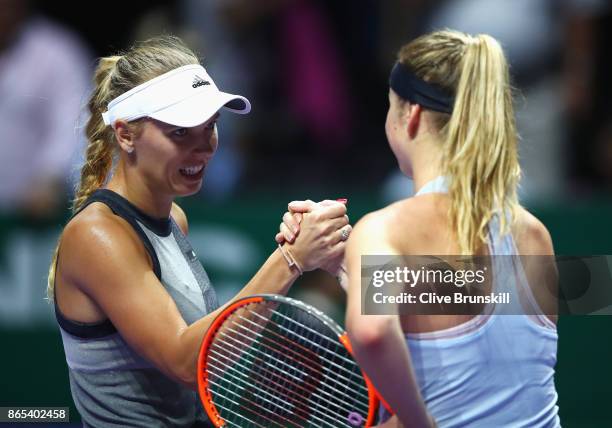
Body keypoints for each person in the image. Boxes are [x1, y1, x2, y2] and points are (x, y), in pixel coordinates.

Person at [47, 35, 351, 427]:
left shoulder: (174, 218)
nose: (205, 147)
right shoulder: (96, 235)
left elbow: (202, 362)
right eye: (180, 132)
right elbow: (186, 363)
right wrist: (291, 259)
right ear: (125, 135)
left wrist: (304, 250)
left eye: (211, 127)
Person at [279, 30, 560, 427]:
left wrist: (415, 422)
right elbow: (490, 374)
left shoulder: (384, 230)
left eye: (389, 106)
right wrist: (351, 270)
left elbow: (374, 332)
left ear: (408, 115)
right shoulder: (535, 233)